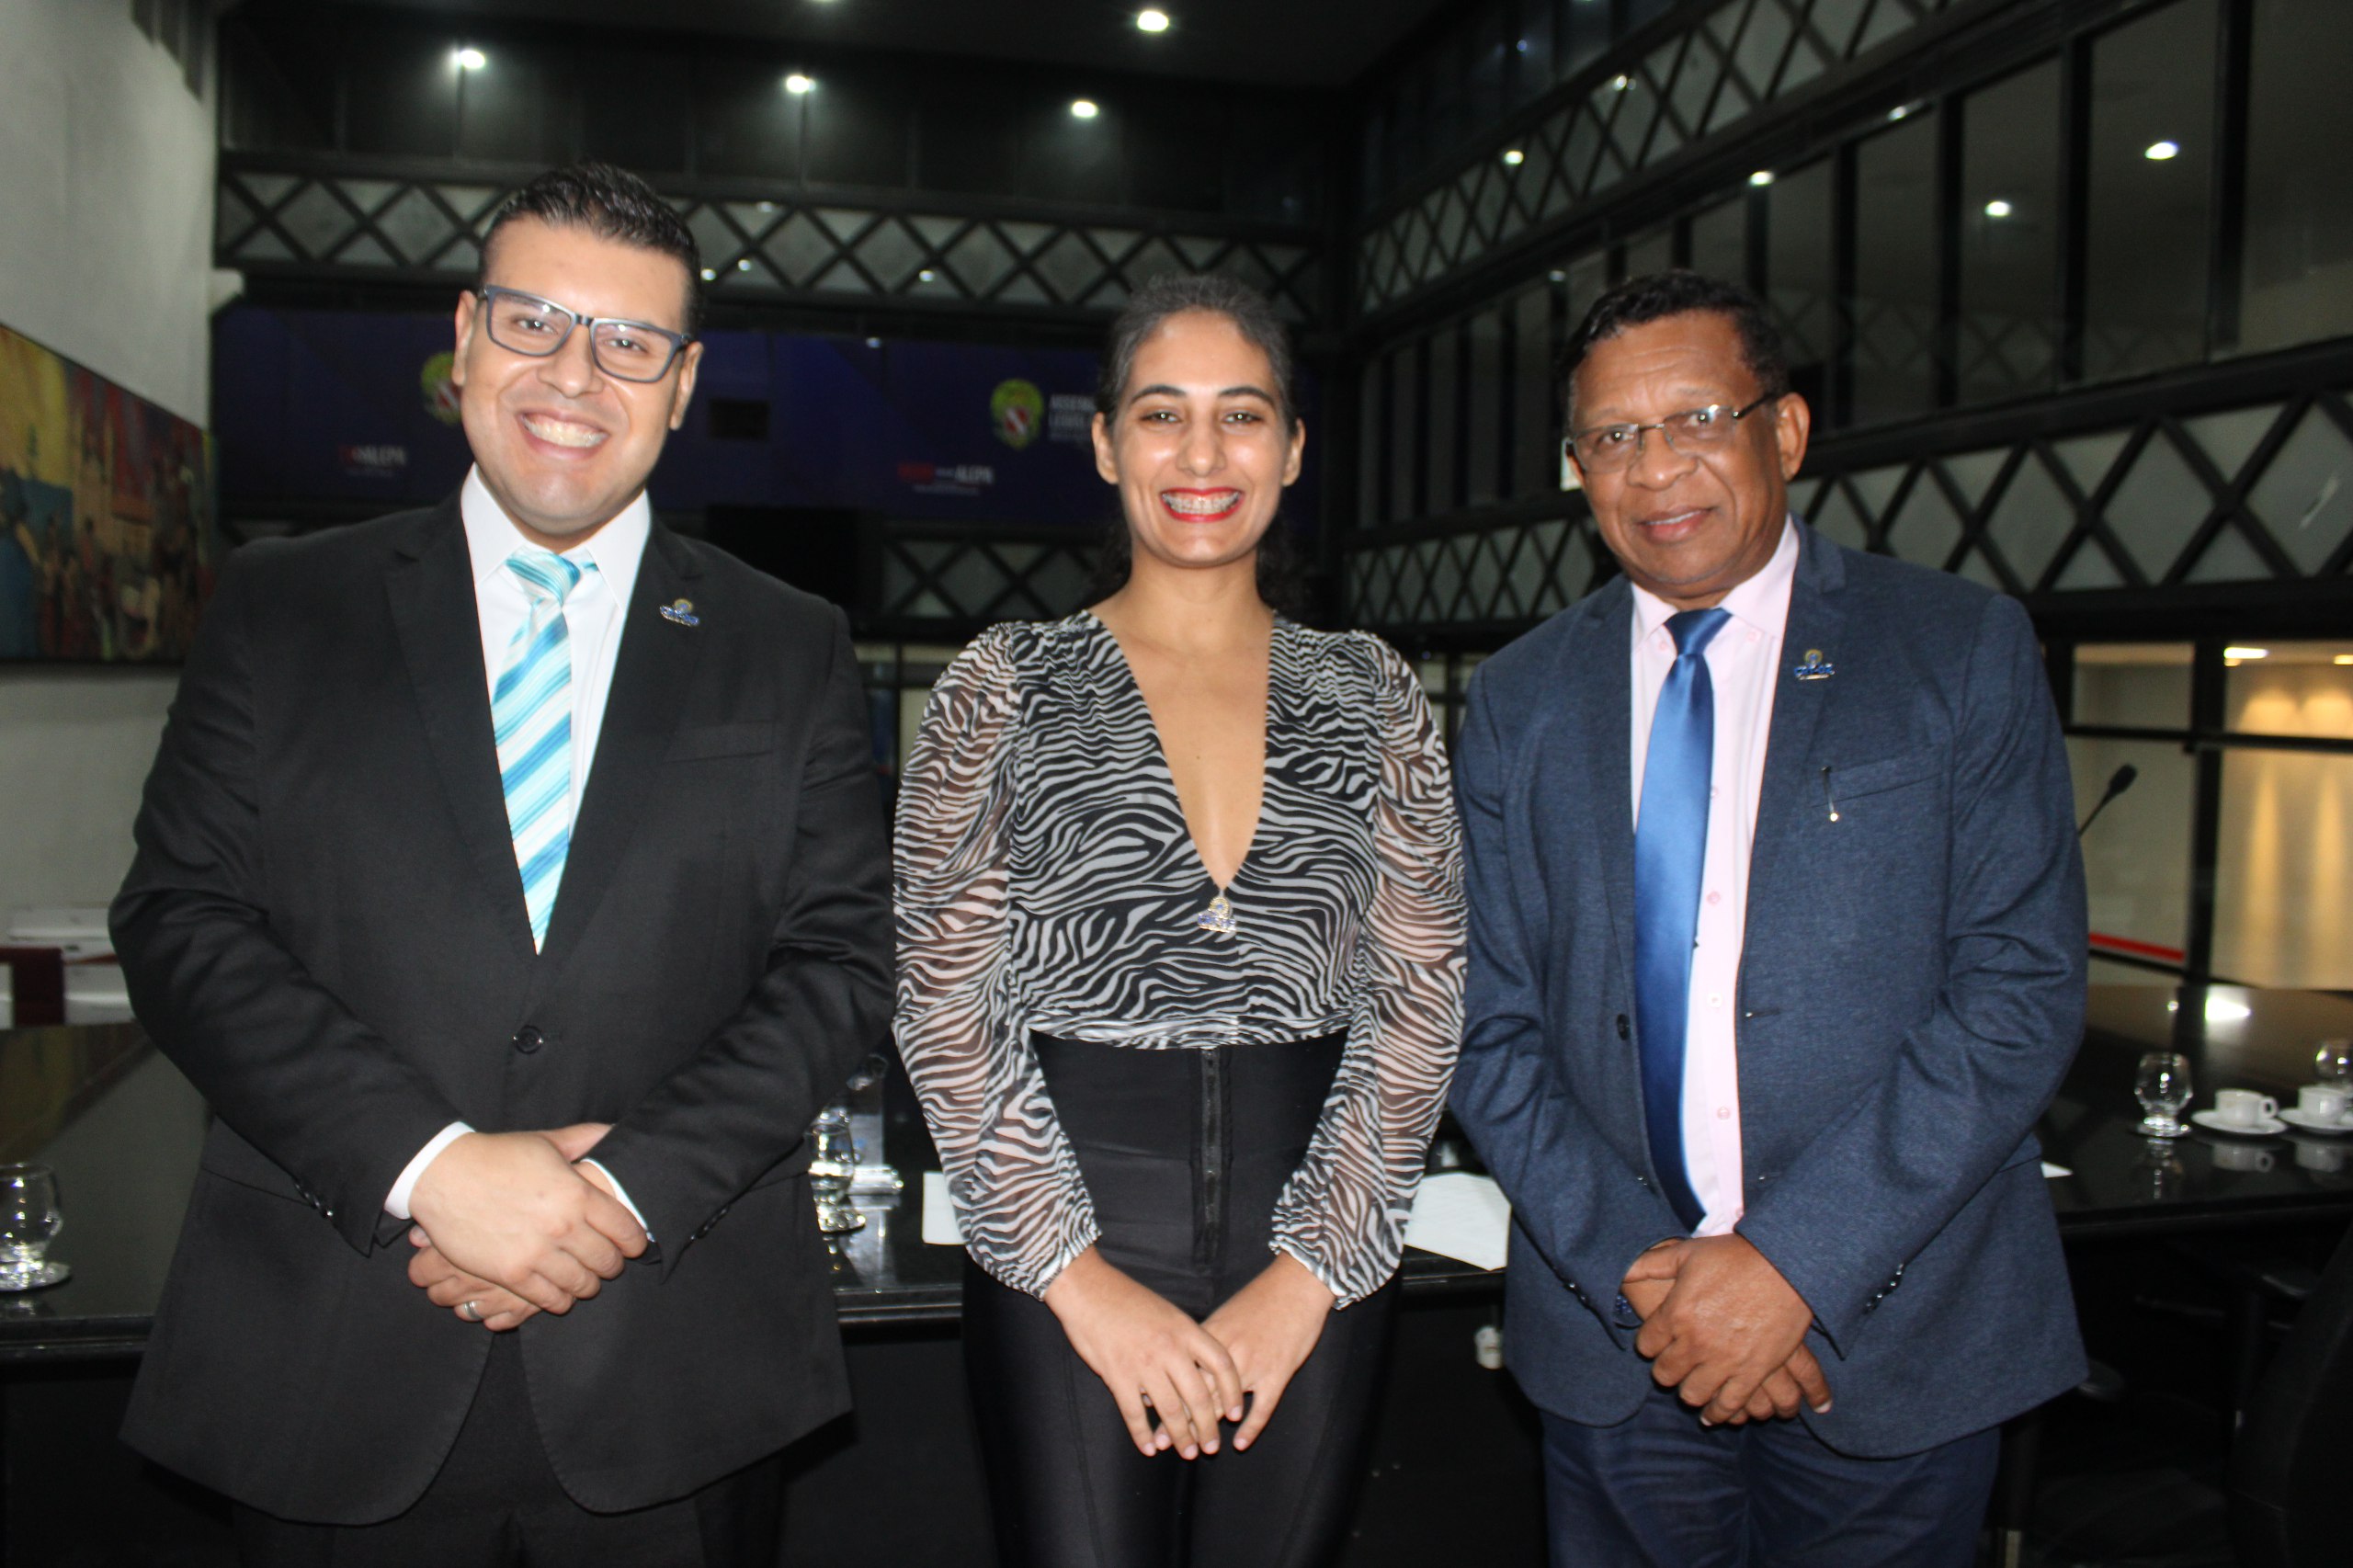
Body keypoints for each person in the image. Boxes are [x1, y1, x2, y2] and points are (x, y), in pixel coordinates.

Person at [111, 162, 892, 1566]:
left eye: (629, 342)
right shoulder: (283, 608)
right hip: (332, 1347)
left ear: (681, 382)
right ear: (466, 336)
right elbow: (182, 918)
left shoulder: (792, 644)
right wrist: (432, 1165)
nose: (574, 376)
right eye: (534, 322)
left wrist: (619, 1191)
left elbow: (840, 959)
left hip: (674, 1362)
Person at [1449, 269, 2087, 1567]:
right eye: (1611, 437)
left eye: (1697, 418)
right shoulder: (1520, 698)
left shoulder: (1955, 647)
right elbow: (1479, 1021)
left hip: (1895, 1335)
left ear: (1784, 430)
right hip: (1620, 1340)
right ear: (1578, 469)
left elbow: (2019, 990)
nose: (1655, 469)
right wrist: (1655, 1279)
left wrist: (1790, 1267)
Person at [893, 272, 1463, 1568]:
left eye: (1241, 414)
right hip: (1060, 1258)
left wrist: (1308, 1278)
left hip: (1320, 1259)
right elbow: (943, 1003)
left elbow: (1422, 1002)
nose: (1203, 455)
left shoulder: (1373, 691)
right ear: (1106, 444)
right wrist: (1081, 1284)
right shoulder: (1001, 685)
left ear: (1293, 447)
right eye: (1162, 414)